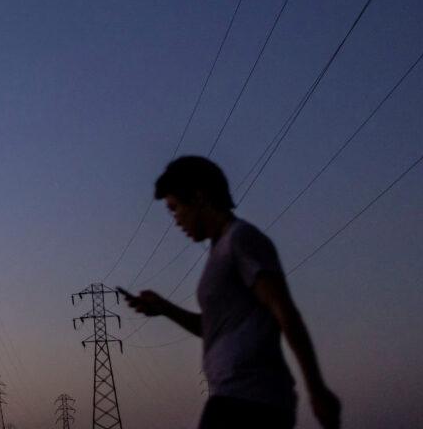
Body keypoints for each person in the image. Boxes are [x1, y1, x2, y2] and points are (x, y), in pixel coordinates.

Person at [120, 155, 340, 429]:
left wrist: (316, 389)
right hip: (235, 396)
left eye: (175, 208)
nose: (176, 220)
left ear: (199, 197)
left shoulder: (241, 239)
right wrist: (164, 308)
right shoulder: (219, 251)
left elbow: (283, 309)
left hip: (251, 399)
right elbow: (214, 328)